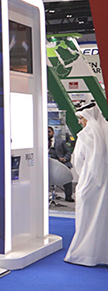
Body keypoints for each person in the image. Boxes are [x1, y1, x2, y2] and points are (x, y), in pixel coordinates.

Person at [64, 103, 108, 267]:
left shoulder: (84, 136)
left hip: (88, 183)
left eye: (81, 118)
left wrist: (85, 176)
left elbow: (78, 162)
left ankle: (83, 254)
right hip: (105, 184)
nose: (80, 122)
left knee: (86, 218)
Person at [48, 126, 73, 202]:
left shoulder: (60, 141)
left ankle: (68, 195)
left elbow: (68, 152)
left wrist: (64, 158)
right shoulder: (41, 143)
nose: (47, 134)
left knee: (66, 174)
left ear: (53, 133)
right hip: (49, 164)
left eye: (49, 132)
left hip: (61, 162)